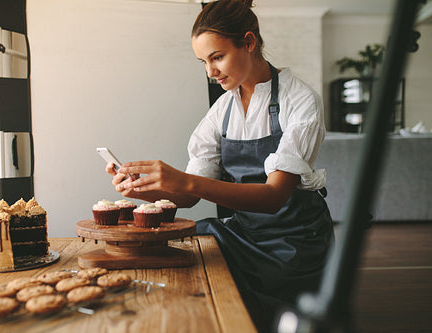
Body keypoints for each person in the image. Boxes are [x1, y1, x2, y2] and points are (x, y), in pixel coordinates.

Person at [106, 0, 334, 330]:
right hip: (244, 234)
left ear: (249, 42)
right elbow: (189, 197)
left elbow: (273, 198)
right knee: (178, 252)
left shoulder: (299, 101)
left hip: (294, 244)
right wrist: (143, 189)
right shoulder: (222, 111)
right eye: (204, 61)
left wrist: (182, 181)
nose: (210, 72)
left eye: (217, 57)